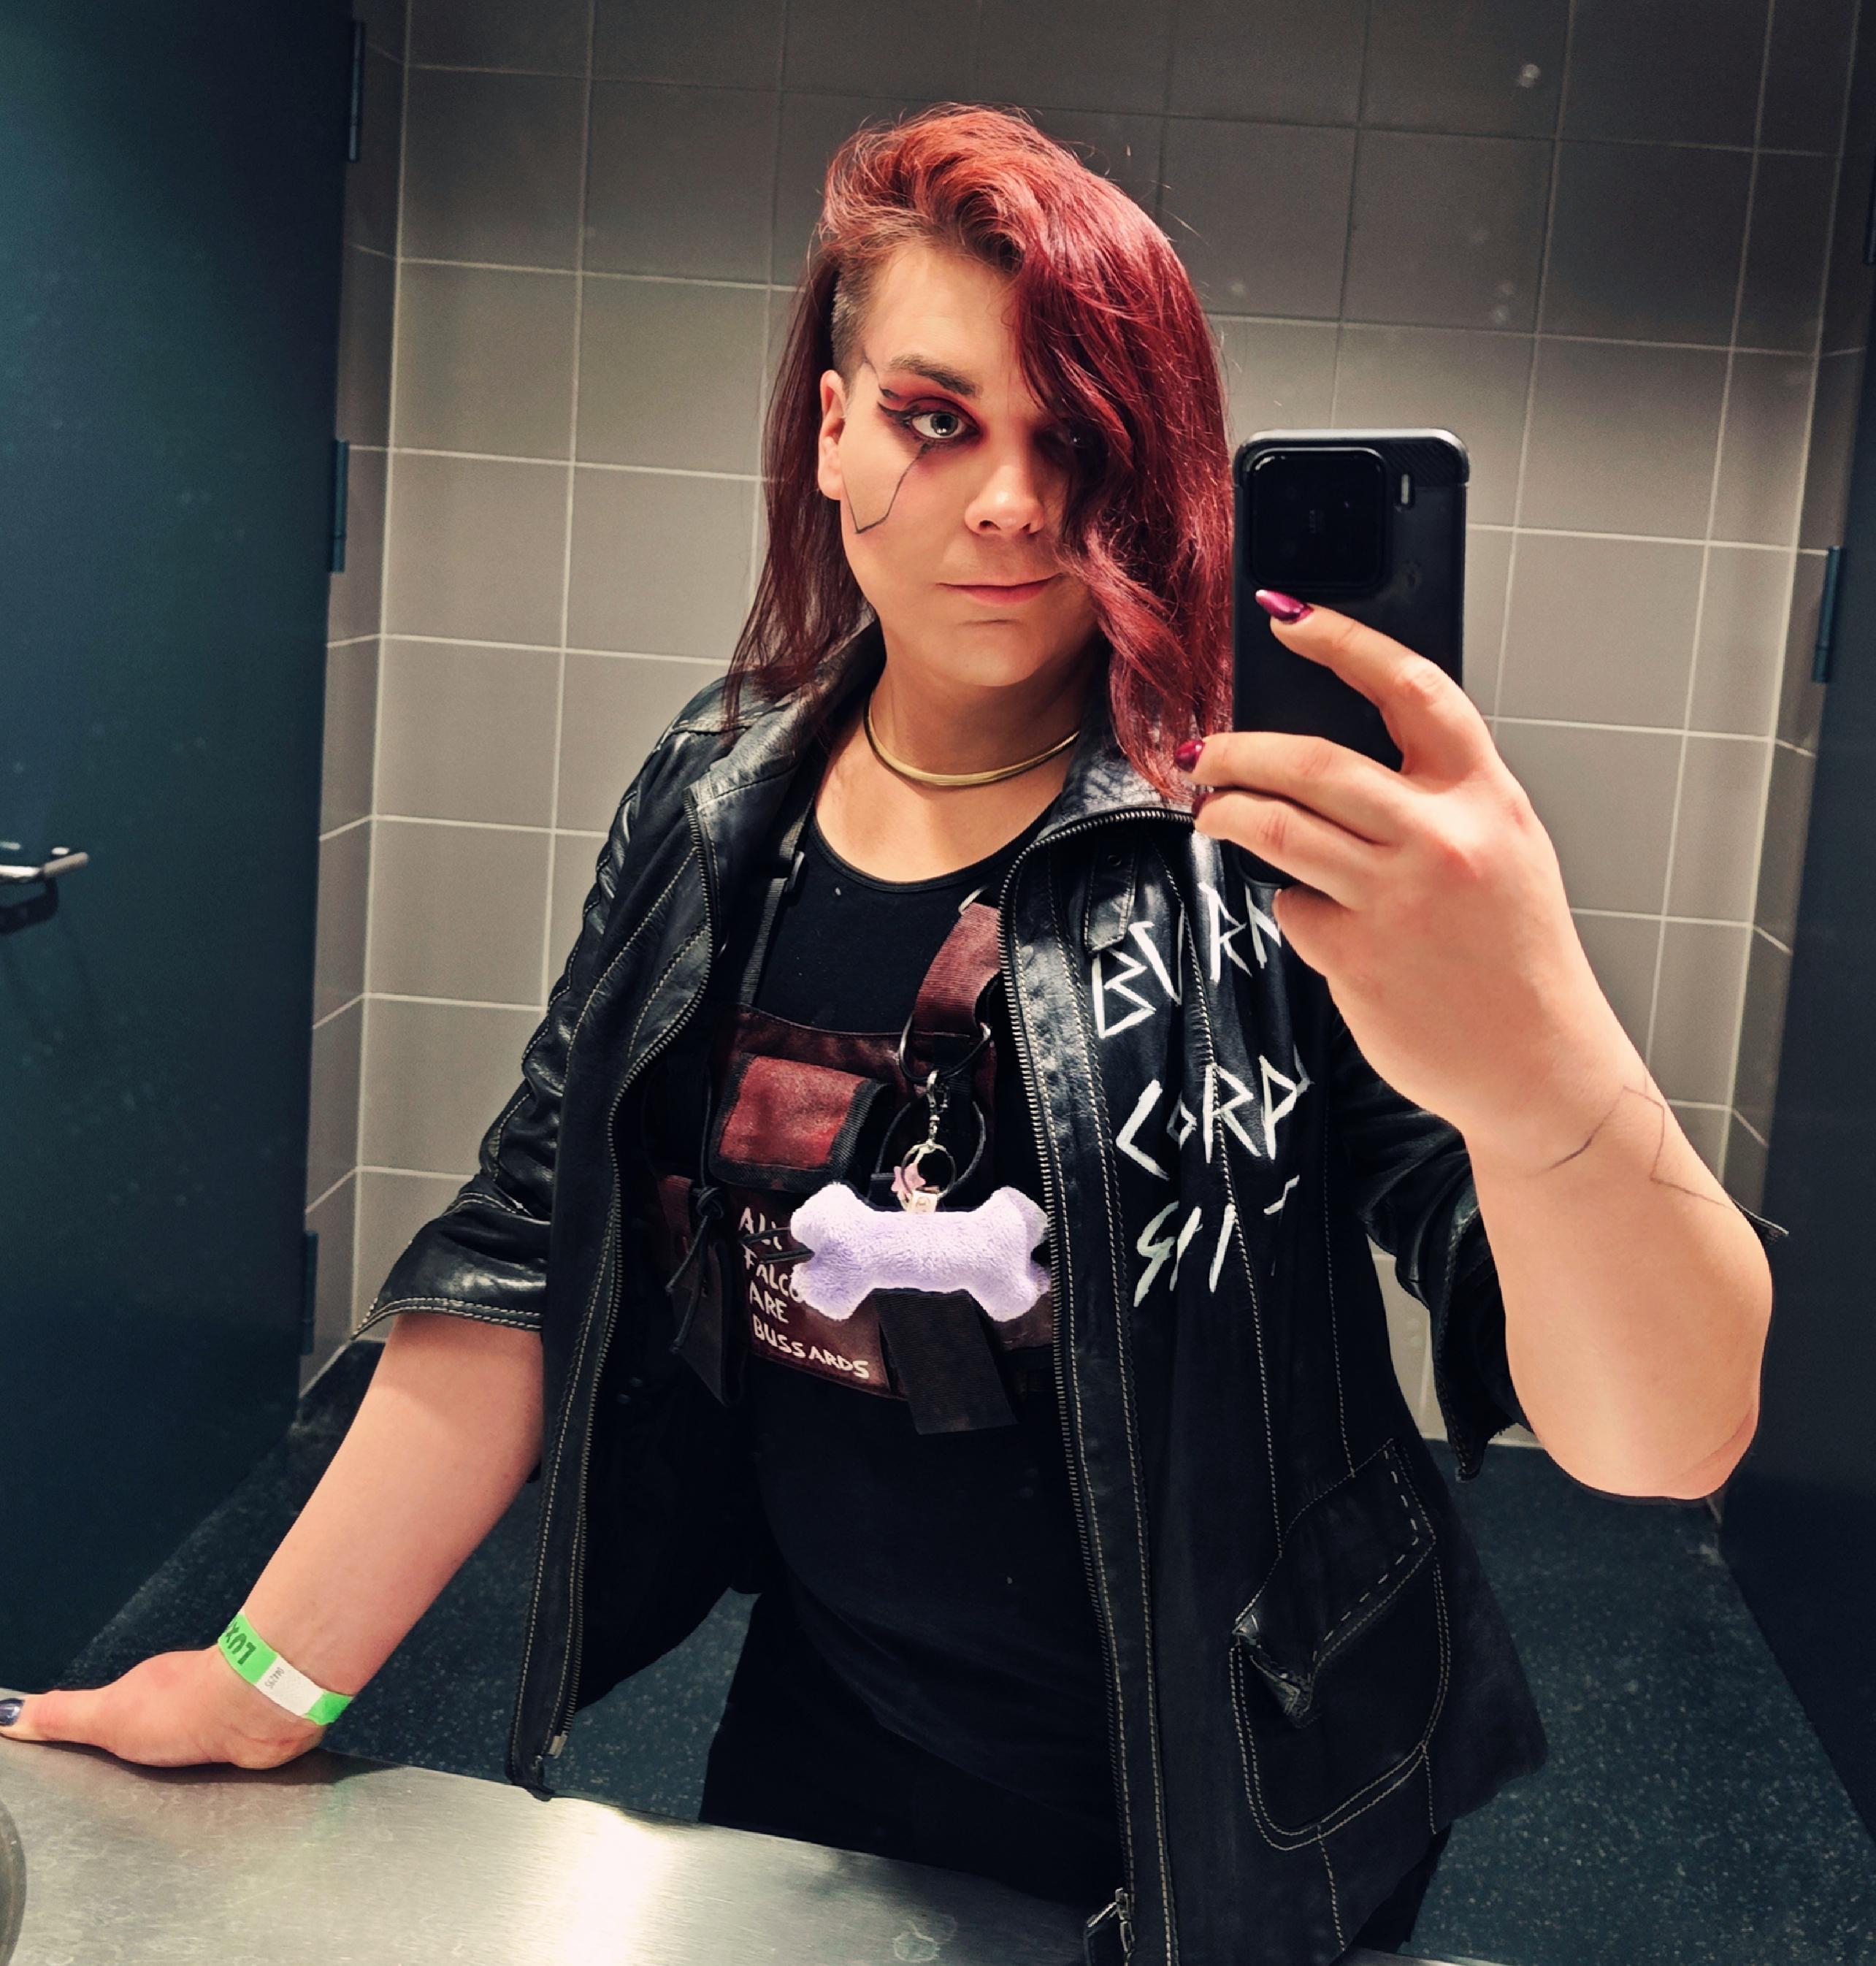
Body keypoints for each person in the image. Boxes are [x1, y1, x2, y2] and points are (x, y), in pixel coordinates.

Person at [1, 104, 1783, 1966]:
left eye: (1074, 438)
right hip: (827, 1745)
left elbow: (1664, 1438)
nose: (1010, 502)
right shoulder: (715, 797)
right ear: (834, 425)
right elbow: (527, 1249)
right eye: (939, 418)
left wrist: (1540, 1060)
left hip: (1258, 1792)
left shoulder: (1261, 842)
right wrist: (265, 1678)